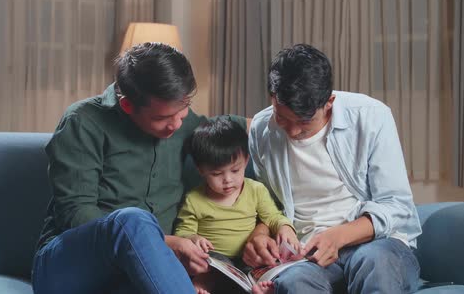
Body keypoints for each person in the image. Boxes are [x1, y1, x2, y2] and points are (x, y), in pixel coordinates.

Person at [32, 42, 247, 294]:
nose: (176, 124)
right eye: (162, 118)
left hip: (145, 271)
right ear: (127, 105)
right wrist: (166, 243)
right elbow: (76, 213)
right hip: (69, 267)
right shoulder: (83, 122)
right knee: (132, 219)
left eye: (184, 109)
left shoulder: (188, 125)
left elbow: (254, 126)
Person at [244, 44, 422, 293]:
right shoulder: (262, 130)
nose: (293, 132)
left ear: (329, 102)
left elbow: (397, 205)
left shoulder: (371, 117)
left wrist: (338, 236)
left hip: (377, 244)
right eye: (282, 117)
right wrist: (260, 235)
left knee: (376, 263)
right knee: (294, 284)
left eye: (304, 121)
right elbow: (268, 204)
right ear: (272, 98)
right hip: (308, 255)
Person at [174, 118, 298, 294]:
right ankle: (204, 284)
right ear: (201, 170)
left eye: (235, 170)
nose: (228, 180)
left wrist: (284, 227)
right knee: (209, 264)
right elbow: (182, 233)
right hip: (216, 259)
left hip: (247, 259)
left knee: (265, 261)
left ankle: (258, 286)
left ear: (246, 161)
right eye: (217, 174)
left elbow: (272, 217)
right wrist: (194, 239)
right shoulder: (194, 199)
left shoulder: (255, 190)